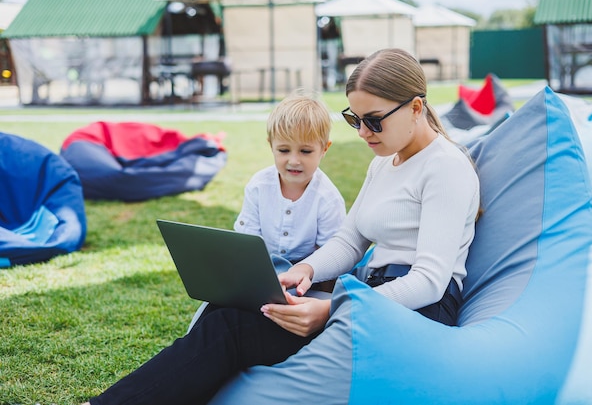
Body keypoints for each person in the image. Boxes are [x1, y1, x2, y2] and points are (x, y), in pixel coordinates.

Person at [82, 48, 480, 405]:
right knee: (232, 305)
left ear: (415, 107)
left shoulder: (444, 167)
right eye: (354, 119)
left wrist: (332, 308)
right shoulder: (384, 162)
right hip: (369, 297)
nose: (362, 133)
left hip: (415, 313)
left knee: (232, 329)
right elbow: (351, 240)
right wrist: (304, 271)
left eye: (373, 121)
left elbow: (429, 281)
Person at [233, 91, 346, 273]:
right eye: (284, 150)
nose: (294, 160)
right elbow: (247, 242)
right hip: (262, 270)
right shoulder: (259, 186)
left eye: (305, 151)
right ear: (271, 146)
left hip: (308, 277)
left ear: (324, 149)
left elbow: (331, 255)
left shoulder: (328, 198)